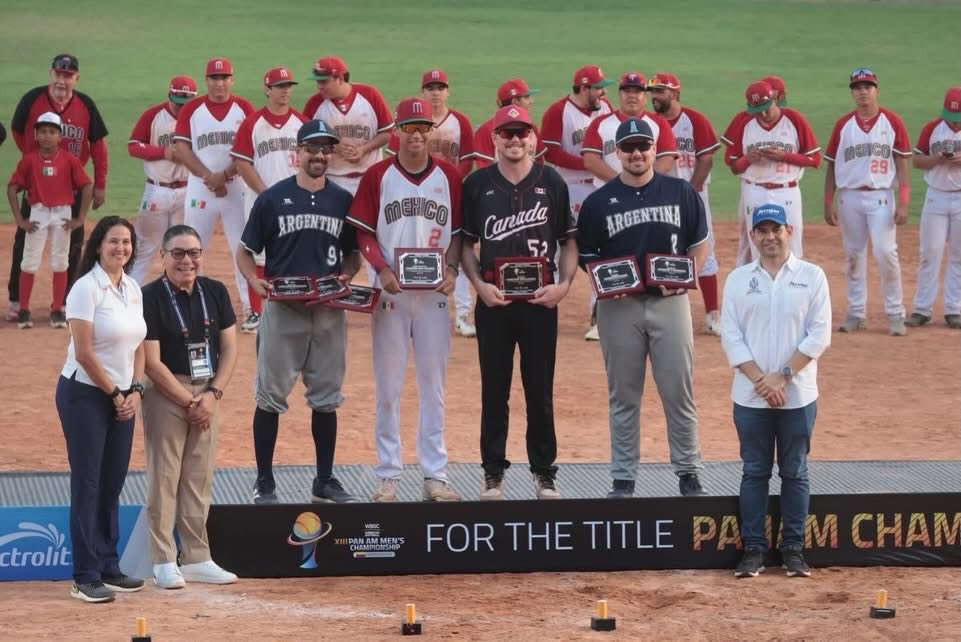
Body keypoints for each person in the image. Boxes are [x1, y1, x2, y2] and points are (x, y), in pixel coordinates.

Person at [576, 119, 708, 498]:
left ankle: (689, 472)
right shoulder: (598, 202)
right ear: (617, 152)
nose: (636, 154)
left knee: (678, 391)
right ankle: (623, 478)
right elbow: (588, 255)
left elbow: (698, 243)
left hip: (670, 303)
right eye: (628, 147)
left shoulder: (680, 191)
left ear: (655, 149)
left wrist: (686, 276)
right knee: (623, 395)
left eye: (642, 146)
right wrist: (605, 285)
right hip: (619, 309)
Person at [238, 119, 360, 505]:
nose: (319, 155)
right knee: (270, 396)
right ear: (298, 152)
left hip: (327, 310)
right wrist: (254, 283)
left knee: (326, 397)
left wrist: (346, 276)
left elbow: (353, 253)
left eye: (326, 149)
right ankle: (264, 481)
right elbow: (244, 250)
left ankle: (324, 479)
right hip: (282, 309)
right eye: (312, 148)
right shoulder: (272, 199)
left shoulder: (342, 201)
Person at [347, 97, 463, 503]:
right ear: (396, 130)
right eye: (409, 128)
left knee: (434, 386)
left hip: (433, 297)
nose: (416, 136)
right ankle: (388, 474)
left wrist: (452, 271)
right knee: (389, 387)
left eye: (423, 128)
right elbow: (363, 233)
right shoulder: (378, 175)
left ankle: (435, 473)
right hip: (390, 294)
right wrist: (380, 268)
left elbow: (460, 235)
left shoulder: (449, 176)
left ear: (432, 132)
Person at [461, 105, 577, 500]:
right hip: (495, 301)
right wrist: (478, 285)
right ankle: (493, 471)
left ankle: (544, 471)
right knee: (495, 389)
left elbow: (568, 240)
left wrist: (563, 285)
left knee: (539, 388)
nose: (514, 140)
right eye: (506, 133)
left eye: (520, 133)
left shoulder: (552, 182)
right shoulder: (478, 184)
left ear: (532, 137)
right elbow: (465, 244)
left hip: (541, 301)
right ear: (494, 138)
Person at [720, 203, 831, 579]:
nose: (769, 237)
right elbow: (731, 335)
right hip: (751, 395)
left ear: (789, 231)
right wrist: (760, 380)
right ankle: (753, 550)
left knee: (795, 471)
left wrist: (782, 376)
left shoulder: (812, 276)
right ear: (752, 236)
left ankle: (794, 549)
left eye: (776, 229)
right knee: (754, 471)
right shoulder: (738, 280)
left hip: (797, 393)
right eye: (761, 230)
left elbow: (819, 334)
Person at [55, 216, 147, 603]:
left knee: (112, 483)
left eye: (126, 242)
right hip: (85, 395)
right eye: (113, 241)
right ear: (97, 246)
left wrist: (136, 391)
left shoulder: (132, 287)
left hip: (122, 397)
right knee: (88, 483)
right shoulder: (84, 288)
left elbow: (139, 345)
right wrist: (115, 394)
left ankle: (108, 564)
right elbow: (85, 352)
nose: (121, 248)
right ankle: (85, 574)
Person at [141, 225, 238, 588]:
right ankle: (163, 559)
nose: (187, 260)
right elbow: (151, 361)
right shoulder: (149, 296)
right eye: (178, 253)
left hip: (208, 391)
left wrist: (212, 395)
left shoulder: (214, 291)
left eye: (194, 252)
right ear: (163, 256)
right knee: (165, 475)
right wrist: (189, 400)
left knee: (199, 475)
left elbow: (230, 348)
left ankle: (197, 557)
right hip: (167, 390)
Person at [7, 54, 108, 321]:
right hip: (37, 189)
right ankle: (17, 301)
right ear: (51, 74)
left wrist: (100, 184)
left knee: (71, 248)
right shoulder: (32, 99)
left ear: (76, 78)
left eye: (68, 75)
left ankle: (64, 303)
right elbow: (17, 132)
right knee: (23, 246)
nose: (62, 79)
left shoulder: (85, 104)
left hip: (71, 191)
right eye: (58, 74)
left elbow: (97, 146)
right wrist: (34, 162)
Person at [387, 69, 477, 338]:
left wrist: (448, 185)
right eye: (431, 88)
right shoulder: (411, 121)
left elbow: (467, 159)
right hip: (412, 194)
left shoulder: (459, 121)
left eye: (440, 87)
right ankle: (405, 308)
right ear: (423, 91)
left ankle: (462, 312)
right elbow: (397, 157)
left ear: (447, 91)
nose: (436, 92)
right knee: (416, 244)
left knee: (454, 248)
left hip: (448, 193)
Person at [824, 67, 912, 336]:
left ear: (877, 90)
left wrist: (905, 201)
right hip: (850, 196)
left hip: (881, 195)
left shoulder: (891, 121)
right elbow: (831, 165)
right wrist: (828, 200)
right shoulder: (843, 124)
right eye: (858, 87)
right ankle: (856, 312)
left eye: (867, 86)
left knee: (886, 252)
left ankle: (895, 312)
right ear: (852, 92)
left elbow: (902, 162)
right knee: (853, 254)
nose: (863, 92)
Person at [173, 57, 256, 330]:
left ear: (232, 79)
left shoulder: (243, 108)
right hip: (201, 186)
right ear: (206, 80)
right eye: (214, 78)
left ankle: (250, 310)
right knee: (191, 247)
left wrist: (225, 175)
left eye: (224, 78)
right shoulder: (192, 109)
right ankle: (192, 308)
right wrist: (208, 176)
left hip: (236, 186)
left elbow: (250, 148)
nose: (219, 83)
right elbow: (182, 148)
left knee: (242, 248)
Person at [230, 66, 306, 334]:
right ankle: (257, 312)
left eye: (288, 86)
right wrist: (266, 194)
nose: (285, 90)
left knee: (295, 251)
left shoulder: (301, 122)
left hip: (295, 201)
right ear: (267, 89)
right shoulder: (252, 123)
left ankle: (292, 307)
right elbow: (242, 162)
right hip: (260, 200)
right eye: (279, 86)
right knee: (257, 255)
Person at [541, 64, 614, 341]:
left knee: (599, 248)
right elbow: (551, 153)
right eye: (598, 87)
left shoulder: (606, 108)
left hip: (598, 188)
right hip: (567, 190)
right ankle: (545, 306)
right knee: (558, 251)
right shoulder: (558, 111)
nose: (603, 92)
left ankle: (599, 314)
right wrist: (589, 164)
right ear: (584, 88)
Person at [648, 72, 724, 336]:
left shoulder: (695, 120)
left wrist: (691, 190)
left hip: (694, 195)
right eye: (653, 92)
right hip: (661, 198)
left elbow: (706, 158)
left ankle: (713, 313)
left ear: (675, 93)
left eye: (659, 91)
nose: (654, 97)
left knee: (705, 249)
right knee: (665, 253)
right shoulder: (651, 123)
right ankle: (668, 314)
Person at [6, 112, 92, 329]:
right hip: (38, 212)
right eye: (42, 132)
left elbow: (87, 185)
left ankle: (56, 310)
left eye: (52, 132)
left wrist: (80, 218)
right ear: (36, 134)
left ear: (60, 136)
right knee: (29, 261)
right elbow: (12, 187)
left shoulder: (69, 159)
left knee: (60, 261)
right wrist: (20, 219)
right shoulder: (29, 160)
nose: (46, 136)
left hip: (63, 213)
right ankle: (24, 310)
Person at [723, 80, 820, 266]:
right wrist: (748, 159)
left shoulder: (793, 120)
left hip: (787, 191)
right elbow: (733, 165)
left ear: (774, 99)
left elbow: (814, 160)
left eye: (767, 107)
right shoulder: (745, 123)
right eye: (758, 109)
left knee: (792, 247)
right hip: (755, 191)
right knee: (757, 247)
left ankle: (793, 292)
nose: (764, 113)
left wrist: (785, 156)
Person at [127, 75, 197, 285]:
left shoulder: (198, 118)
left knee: (182, 249)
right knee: (144, 249)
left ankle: (181, 293)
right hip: (157, 191)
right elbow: (133, 145)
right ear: (170, 95)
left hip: (187, 191)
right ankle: (129, 298)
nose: (180, 109)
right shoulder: (153, 115)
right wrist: (163, 152)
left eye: (185, 104)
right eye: (177, 103)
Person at [905, 87, 961, 330]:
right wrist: (937, 159)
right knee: (930, 253)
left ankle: (954, 309)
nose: (954, 122)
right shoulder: (932, 128)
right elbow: (917, 160)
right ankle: (922, 309)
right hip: (936, 196)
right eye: (950, 116)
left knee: (959, 255)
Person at [302, 55, 393, 196]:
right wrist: (331, 146)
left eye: (324, 81)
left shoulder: (369, 95)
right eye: (317, 82)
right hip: (332, 181)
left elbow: (387, 133)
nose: (319, 86)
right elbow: (304, 142)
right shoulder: (314, 104)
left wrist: (364, 149)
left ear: (340, 79)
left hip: (369, 178)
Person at [582, 72, 678, 186]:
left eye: (637, 91)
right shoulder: (599, 123)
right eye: (627, 91)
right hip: (608, 192)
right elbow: (590, 161)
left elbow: (667, 160)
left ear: (645, 96)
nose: (632, 96)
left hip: (648, 192)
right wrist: (621, 183)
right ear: (619, 94)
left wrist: (644, 182)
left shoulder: (660, 123)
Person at [472, 78, 547, 169]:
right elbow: (484, 171)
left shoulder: (531, 128)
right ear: (515, 101)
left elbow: (539, 164)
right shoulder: (486, 130)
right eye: (527, 97)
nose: (531, 101)